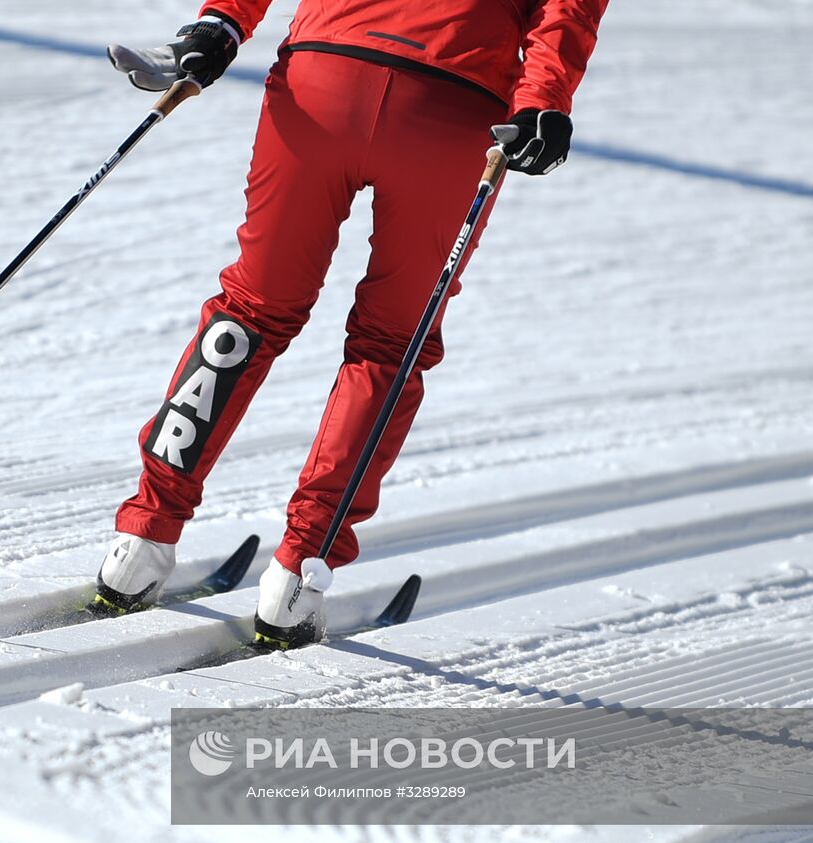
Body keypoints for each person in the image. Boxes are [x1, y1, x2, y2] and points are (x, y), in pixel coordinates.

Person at [95, 0, 608, 649]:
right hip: (452, 103)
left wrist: (222, 22)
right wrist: (543, 101)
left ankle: (142, 537)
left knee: (250, 310)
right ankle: (298, 576)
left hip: (323, 78)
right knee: (392, 343)